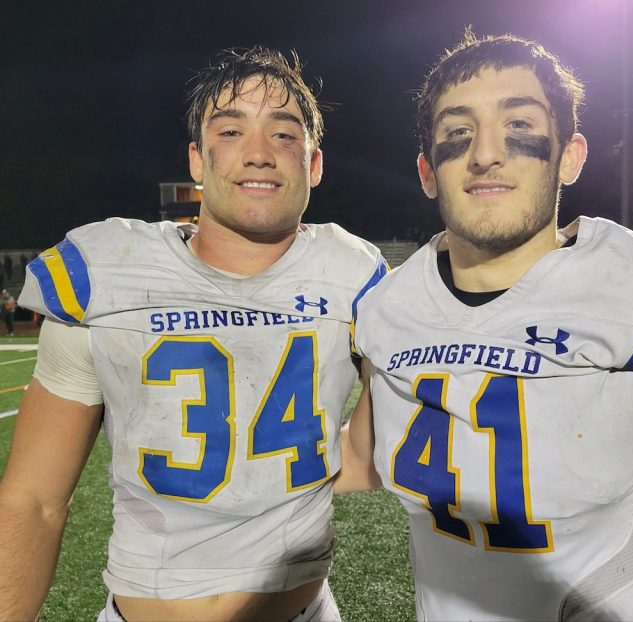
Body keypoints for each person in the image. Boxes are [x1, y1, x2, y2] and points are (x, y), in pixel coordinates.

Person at [338, 31, 633, 621]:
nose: (485, 153)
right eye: (458, 132)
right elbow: (361, 454)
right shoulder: (391, 307)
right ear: (427, 171)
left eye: (519, 124)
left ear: (570, 156)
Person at [0, 46, 386, 622]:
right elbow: (34, 499)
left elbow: (363, 458)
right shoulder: (109, 267)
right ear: (197, 160)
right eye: (230, 130)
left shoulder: (352, 273)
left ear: (314, 164)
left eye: (284, 134)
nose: (259, 153)